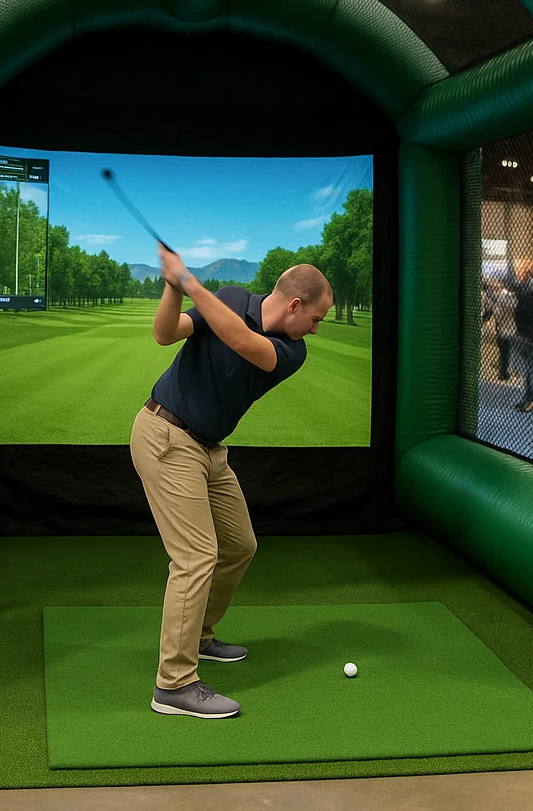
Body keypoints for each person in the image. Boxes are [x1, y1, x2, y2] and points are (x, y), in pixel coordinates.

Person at [130, 245, 332, 719]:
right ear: (295, 305)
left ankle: (199, 637)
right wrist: (171, 286)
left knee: (240, 545)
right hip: (165, 435)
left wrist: (192, 285)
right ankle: (174, 684)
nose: (316, 330)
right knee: (196, 555)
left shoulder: (291, 351)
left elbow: (242, 342)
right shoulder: (231, 297)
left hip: (209, 451)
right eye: (317, 318)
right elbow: (166, 334)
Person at [509, 258, 533, 413]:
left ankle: (530, 400)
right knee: (528, 368)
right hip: (531, 332)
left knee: (528, 369)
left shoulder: (530, 286)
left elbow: (525, 309)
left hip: (528, 333)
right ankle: (529, 399)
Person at [482, 277, 516, 381]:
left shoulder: (500, 297)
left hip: (501, 328)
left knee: (503, 351)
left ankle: (503, 371)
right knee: (507, 352)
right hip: (510, 328)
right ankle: (504, 371)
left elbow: (497, 313)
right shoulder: (512, 298)